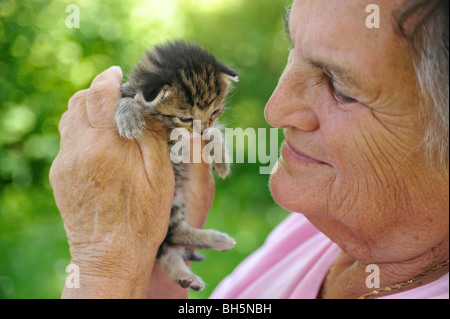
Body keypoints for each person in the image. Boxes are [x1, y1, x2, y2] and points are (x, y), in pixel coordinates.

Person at [50, 0, 449, 299]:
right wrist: (147, 259)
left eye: (340, 88)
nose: (275, 110)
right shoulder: (321, 227)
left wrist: (102, 269)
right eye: (294, 48)